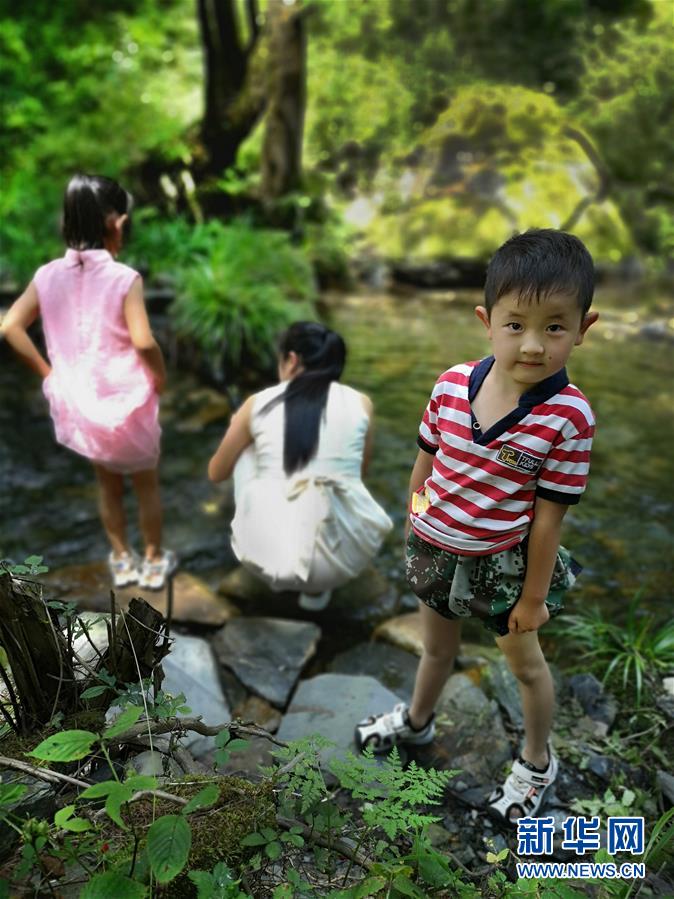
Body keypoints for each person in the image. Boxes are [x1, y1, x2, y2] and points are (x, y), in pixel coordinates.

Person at [355, 229, 599, 823]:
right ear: (486, 320)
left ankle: (537, 763)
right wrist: (417, 521)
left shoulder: (567, 417)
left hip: (503, 566)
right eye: (516, 324)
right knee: (435, 649)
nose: (534, 345)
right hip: (435, 551)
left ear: (584, 327)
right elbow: (425, 464)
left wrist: (534, 598)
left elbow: (547, 521)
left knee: (525, 663)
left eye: (555, 326)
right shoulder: (450, 385)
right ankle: (416, 722)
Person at [0, 174, 176, 590]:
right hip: (129, 401)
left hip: (80, 401)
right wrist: (161, 375)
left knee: (106, 484)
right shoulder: (124, 278)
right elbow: (144, 341)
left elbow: (10, 327)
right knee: (145, 483)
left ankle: (122, 559)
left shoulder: (47, 276)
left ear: (67, 224)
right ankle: (152, 561)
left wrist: (49, 376)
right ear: (118, 223)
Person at [208, 321, 392, 610]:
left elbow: (216, 472)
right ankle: (318, 591)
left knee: (248, 451)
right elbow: (360, 473)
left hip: (268, 561)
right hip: (346, 561)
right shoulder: (361, 403)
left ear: (292, 360)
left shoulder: (259, 402)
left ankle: (274, 560)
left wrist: (241, 429)